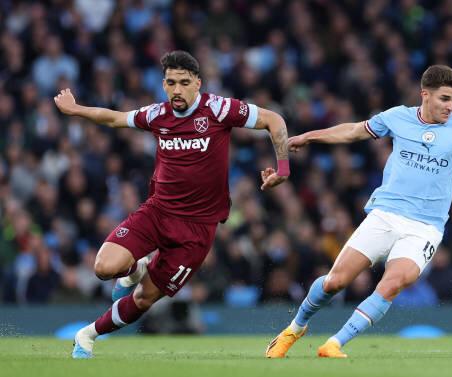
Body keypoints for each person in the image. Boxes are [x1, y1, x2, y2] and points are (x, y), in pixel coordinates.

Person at [265, 65, 452, 358]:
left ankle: (334, 343)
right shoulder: (398, 117)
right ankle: (295, 328)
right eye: (444, 98)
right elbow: (354, 131)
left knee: (393, 284)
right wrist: (309, 136)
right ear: (425, 95)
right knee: (335, 282)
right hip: (385, 214)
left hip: (425, 227)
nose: (450, 106)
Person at [54, 50, 290, 358]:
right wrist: (75, 110)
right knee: (103, 268)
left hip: (196, 230)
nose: (176, 90)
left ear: (197, 84)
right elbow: (113, 119)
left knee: (143, 299)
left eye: (183, 82)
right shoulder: (157, 115)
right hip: (157, 213)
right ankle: (136, 268)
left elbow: (274, 119)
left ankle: (87, 335)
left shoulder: (219, 110)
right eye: (170, 83)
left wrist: (283, 168)